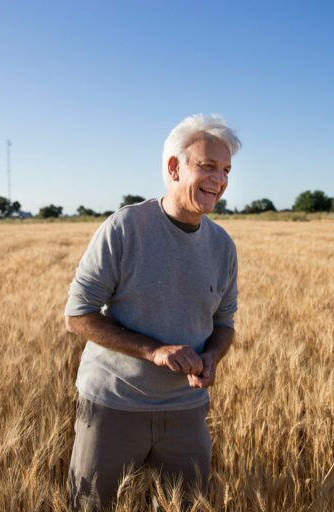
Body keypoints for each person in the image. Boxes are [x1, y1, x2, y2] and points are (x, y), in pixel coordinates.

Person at [64, 114, 241, 510]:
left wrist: (212, 356)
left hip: (186, 412)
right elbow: (77, 315)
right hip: (113, 405)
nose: (220, 179)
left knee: (188, 505)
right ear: (174, 168)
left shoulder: (222, 246)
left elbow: (224, 323)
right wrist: (154, 351)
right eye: (208, 166)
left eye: (226, 169)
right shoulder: (126, 227)